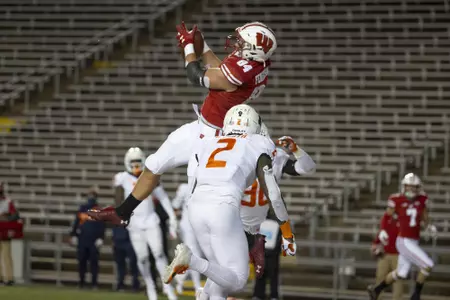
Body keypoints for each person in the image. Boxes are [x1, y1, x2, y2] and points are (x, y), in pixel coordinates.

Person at [87, 21, 278, 231]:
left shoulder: (244, 72)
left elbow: (196, 75)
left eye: (242, 42)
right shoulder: (252, 64)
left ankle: (249, 240)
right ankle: (122, 213)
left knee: (199, 199)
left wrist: (189, 47)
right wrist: (202, 45)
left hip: (214, 139)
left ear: (254, 50)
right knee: (154, 163)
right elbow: (219, 70)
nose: (236, 44)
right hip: (202, 126)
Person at [162, 104, 297, 300]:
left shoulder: (210, 141)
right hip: (222, 207)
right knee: (238, 278)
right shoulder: (259, 144)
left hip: (196, 207)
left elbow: (193, 176)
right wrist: (287, 232)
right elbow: (273, 194)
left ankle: (203, 295)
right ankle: (191, 260)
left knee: (219, 274)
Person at [243, 124, 316, 278]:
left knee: (267, 263)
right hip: (242, 217)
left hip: (264, 215)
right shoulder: (242, 154)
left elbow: (308, 168)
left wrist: (296, 150)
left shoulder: (275, 157)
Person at [112, 147, 178, 300]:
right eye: (133, 163)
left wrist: (172, 217)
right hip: (134, 225)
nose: (136, 167)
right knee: (142, 258)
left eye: (138, 163)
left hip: (151, 221)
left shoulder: (149, 177)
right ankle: (150, 286)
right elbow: (117, 198)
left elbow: (162, 197)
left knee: (159, 253)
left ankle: (167, 287)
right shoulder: (122, 178)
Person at [368, 173, 437, 300]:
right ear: (404, 187)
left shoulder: (422, 199)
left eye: (414, 187)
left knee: (400, 273)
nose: (411, 190)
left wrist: (428, 226)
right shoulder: (396, 199)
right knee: (428, 264)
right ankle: (416, 295)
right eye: (409, 187)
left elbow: (424, 216)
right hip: (404, 241)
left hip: (414, 240)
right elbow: (387, 216)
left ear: (418, 188)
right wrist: (383, 230)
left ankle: (376, 289)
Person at [70, 186, 105, 289]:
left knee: (94, 263)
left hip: (94, 240)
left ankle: (94, 283)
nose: (91, 197)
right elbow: (76, 223)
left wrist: (101, 238)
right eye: (90, 195)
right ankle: (81, 282)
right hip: (82, 239)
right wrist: (74, 235)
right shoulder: (82, 209)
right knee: (82, 262)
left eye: (93, 195)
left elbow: (102, 226)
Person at [172, 183, 203, 294]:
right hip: (188, 225)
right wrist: (174, 224)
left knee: (199, 255)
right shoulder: (185, 187)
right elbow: (175, 205)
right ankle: (197, 287)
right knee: (194, 255)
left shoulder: (208, 186)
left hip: (201, 226)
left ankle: (180, 278)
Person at [371, 213, 403, 300]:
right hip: (385, 253)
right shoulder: (386, 218)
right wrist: (376, 243)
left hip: (398, 254)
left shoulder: (403, 217)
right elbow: (382, 232)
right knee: (380, 277)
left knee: (397, 280)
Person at [252, 211, 282, 300]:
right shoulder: (276, 225)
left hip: (261, 254)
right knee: (273, 278)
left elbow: (254, 240)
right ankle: (273, 296)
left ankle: (258, 295)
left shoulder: (258, 224)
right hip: (272, 254)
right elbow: (279, 241)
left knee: (260, 276)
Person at [0, 182, 19, 286]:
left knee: (6, 256)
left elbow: (15, 215)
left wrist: (6, 218)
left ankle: (9, 278)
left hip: (5, 232)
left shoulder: (8, 201)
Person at [112, 226, 140, 292]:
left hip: (130, 240)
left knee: (133, 264)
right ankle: (120, 284)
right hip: (118, 241)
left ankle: (135, 285)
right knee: (120, 264)